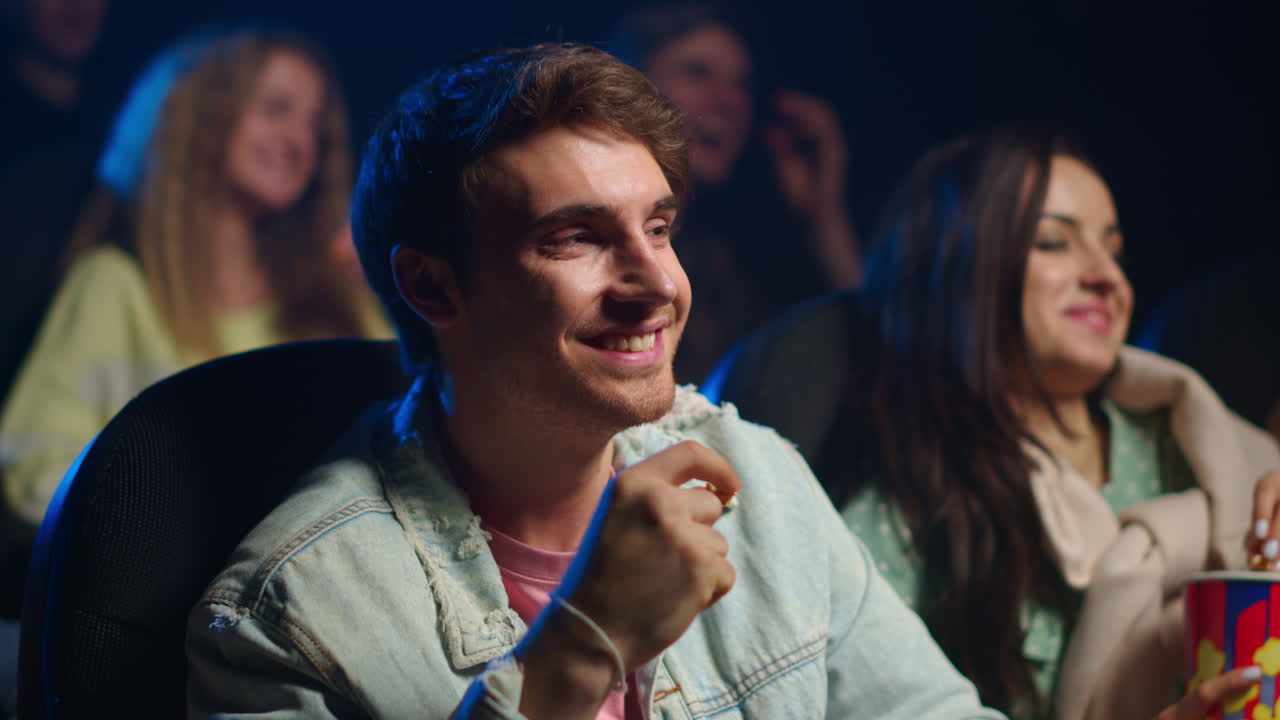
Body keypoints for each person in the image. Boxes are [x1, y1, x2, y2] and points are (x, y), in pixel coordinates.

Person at [185, 43, 1004, 718]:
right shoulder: (284, 617)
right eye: (576, 237)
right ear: (434, 287)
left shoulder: (757, 478)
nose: (658, 285)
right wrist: (582, 645)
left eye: (659, 228)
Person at [709, 127, 1280, 720]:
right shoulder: (903, 520)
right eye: (1055, 243)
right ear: (960, 268)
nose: (1105, 275)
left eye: (1114, 250)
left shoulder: (1204, 445)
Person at [0, 23, 389, 541]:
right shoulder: (116, 287)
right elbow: (29, 469)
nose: (299, 142)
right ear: (200, 117)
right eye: (276, 109)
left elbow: (411, 446)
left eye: (314, 126)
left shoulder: (336, 300)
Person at [609, 3, 861, 383]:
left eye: (741, 85)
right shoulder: (590, 233)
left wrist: (823, 217)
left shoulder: (729, 263)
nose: (728, 100)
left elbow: (878, 359)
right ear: (630, 83)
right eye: (698, 73)